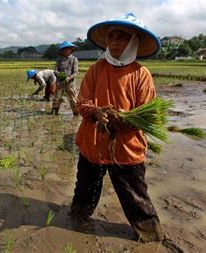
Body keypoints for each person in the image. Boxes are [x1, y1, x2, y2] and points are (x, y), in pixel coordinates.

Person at [70, 13, 164, 243]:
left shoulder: (141, 74)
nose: (114, 42)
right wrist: (96, 112)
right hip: (93, 144)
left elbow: (148, 113)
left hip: (125, 148)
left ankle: (150, 235)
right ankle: (77, 218)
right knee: (85, 188)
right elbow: (82, 102)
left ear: (132, 42)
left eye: (121, 37)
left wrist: (121, 119)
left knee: (135, 196)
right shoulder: (96, 70)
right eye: (111, 37)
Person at [52, 41, 79, 115]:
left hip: (70, 83)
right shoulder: (59, 59)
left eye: (68, 49)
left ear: (71, 49)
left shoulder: (74, 59)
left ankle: (76, 114)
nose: (66, 50)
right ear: (62, 50)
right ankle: (54, 113)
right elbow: (55, 70)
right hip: (60, 82)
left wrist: (69, 78)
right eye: (64, 49)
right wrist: (60, 74)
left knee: (73, 99)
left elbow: (75, 72)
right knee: (57, 98)